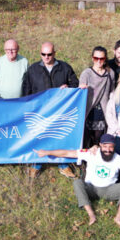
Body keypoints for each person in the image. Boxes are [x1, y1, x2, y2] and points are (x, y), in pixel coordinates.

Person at [34, 134, 120, 227]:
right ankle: (91, 214)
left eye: (111, 147)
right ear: (100, 145)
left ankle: (119, 217)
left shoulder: (118, 159)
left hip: (109, 190)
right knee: (77, 183)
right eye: (105, 146)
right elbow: (67, 153)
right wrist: (47, 152)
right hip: (91, 189)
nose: (108, 150)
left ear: (114, 147)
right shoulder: (91, 153)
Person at [22, 42, 79, 179]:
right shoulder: (33, 69)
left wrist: (68, 88)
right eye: (43, 54)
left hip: (60, 111)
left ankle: (63, 165)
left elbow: (75, 85)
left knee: (59, 136)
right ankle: (36, 165)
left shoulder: (65, 68)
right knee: (40, 137)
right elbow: (26, 90)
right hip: (40, 112)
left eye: (49, 54)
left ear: (55, 53)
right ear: (40, 53)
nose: (46, 57)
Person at [78, 46, 116, 147]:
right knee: (87, 138)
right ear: (92, 58)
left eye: (101, 58)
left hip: (103, 110)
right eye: (96, 58)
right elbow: (80, 91)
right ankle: (85, 161)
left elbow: (112, 91)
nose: (99, 61)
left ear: (105, 59)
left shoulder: (110, 73)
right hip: (89, 110)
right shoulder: (87, 73)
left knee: (99, 139)